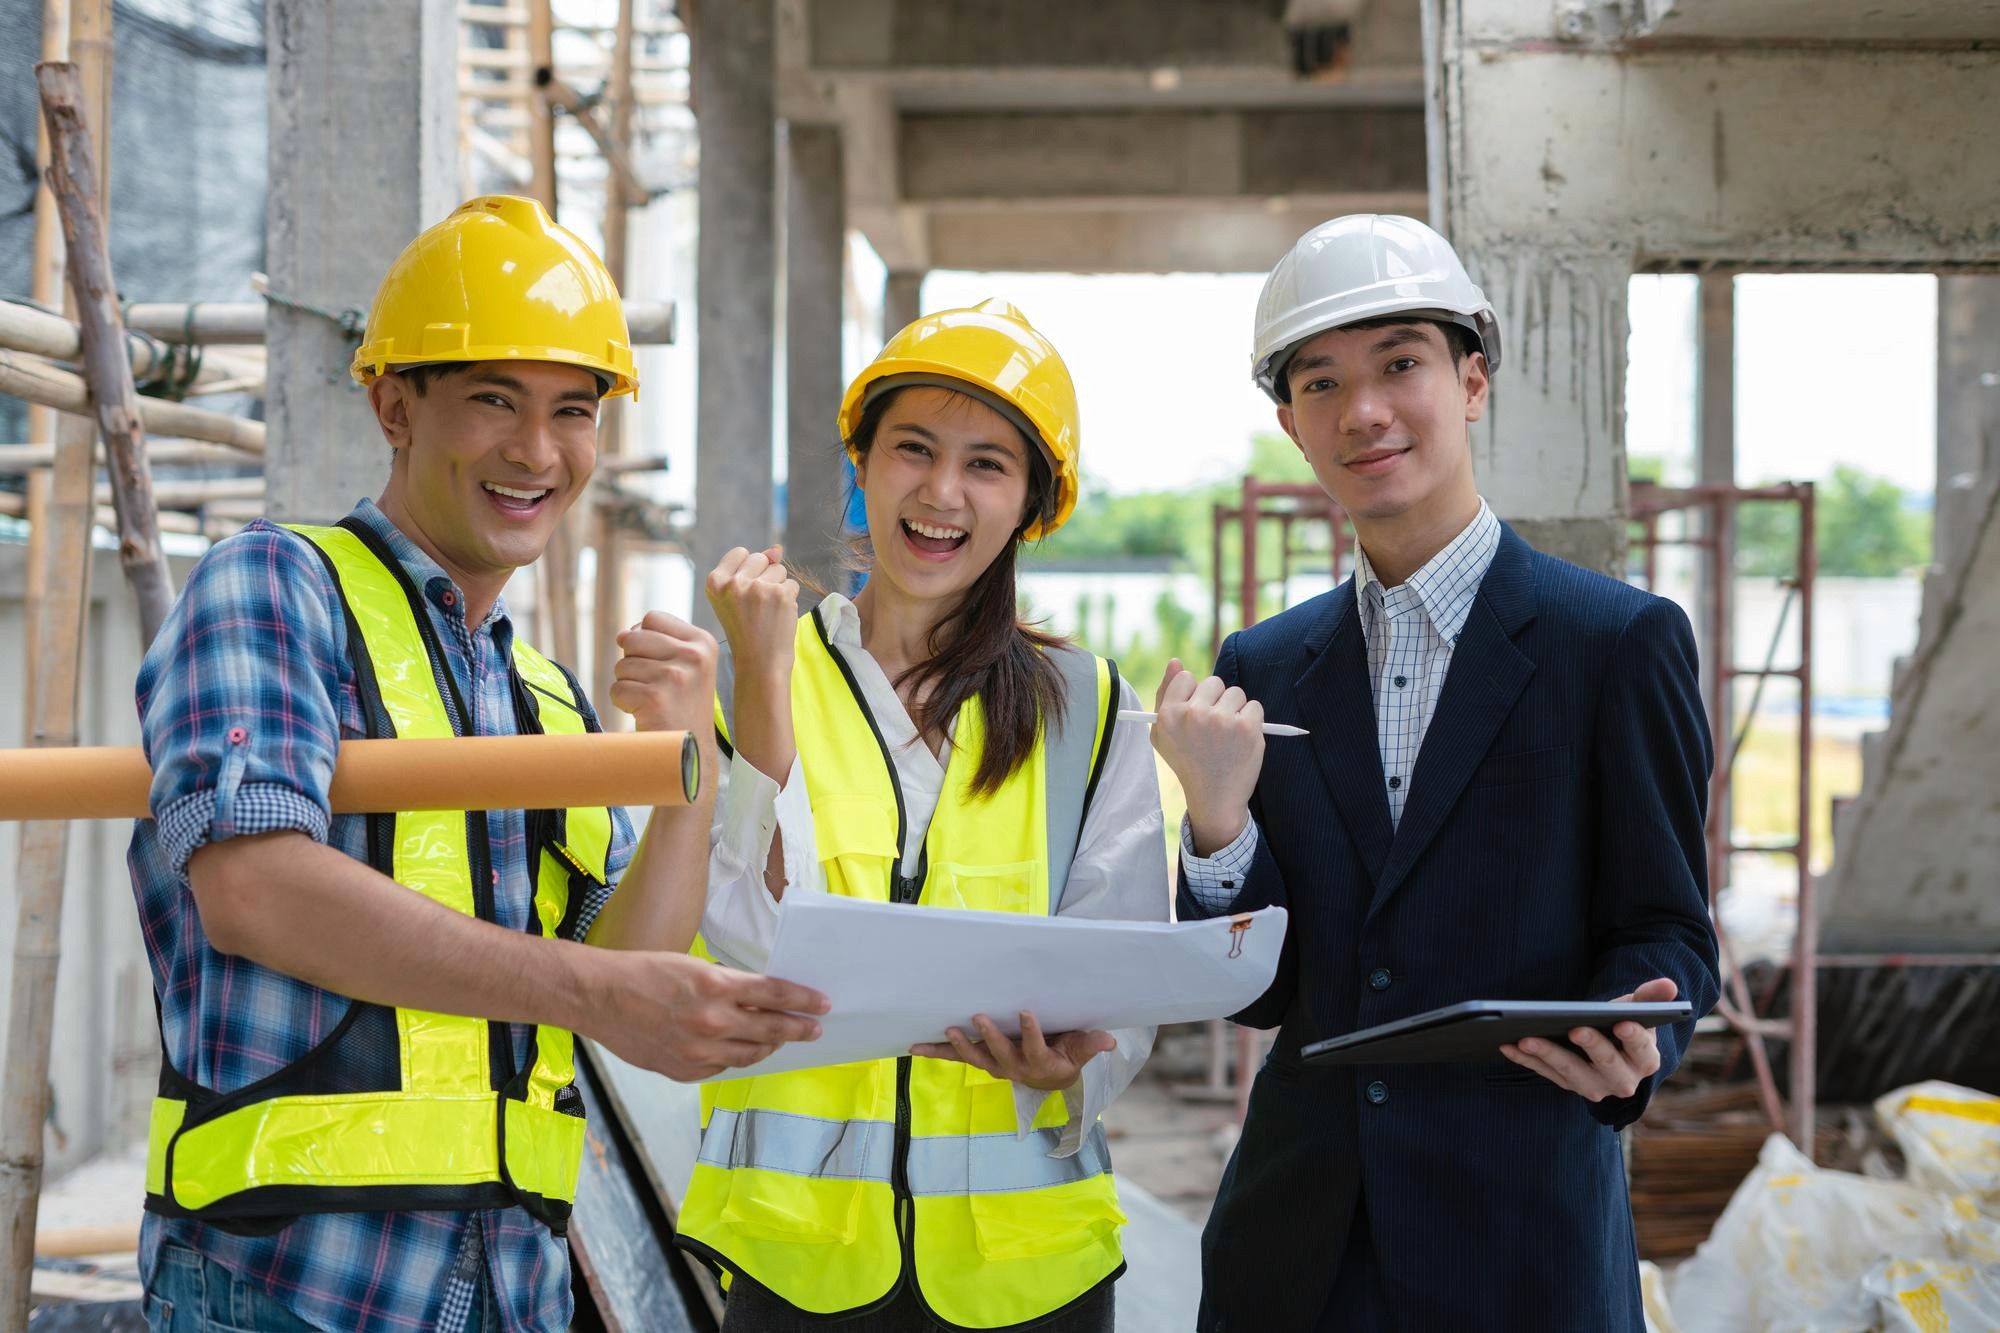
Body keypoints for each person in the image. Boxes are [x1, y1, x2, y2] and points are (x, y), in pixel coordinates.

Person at [128, 194, 826, 1333]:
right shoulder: (271, 584)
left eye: (572, 409)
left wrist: (689, 754)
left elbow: (623, 969)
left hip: (511, 1286)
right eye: (492, 400)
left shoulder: (542, 692)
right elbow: (251, 886)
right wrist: (594, 985)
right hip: (290, 1288)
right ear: (392, 404)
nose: (536, 451)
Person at [1150, 214, 1721, 1331]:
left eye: (1399, 364)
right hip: (1299, 1248)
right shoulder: (1264, 665)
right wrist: (1216, 826)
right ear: (1289, 424)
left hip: (1520, 1237)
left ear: (1469, 380)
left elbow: (1667, 929)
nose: (1361, 410)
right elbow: (1264, 989)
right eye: (1320, 383)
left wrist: (1634, 1034)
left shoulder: (1610, 644)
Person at [674, 299, 1169, 1331]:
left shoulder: (1089, 707)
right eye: (913, 449)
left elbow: (1124, 978)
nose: (942, 492)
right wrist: (762, 686)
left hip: (1028, 1275)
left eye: (987, 463)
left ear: (1031, 501)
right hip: (795, 1262)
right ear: (859, 461)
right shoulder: (757, 677)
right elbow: (739, 939)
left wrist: (1072, 1066)